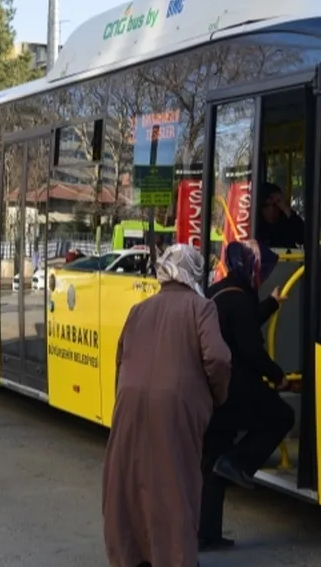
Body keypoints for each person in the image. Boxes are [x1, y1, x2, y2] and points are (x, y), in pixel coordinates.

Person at [101, 244, 232, 567]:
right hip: (177, 405)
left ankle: (133, 555)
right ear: (193, 272)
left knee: (131, 478)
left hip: (130, 402)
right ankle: (174, 558)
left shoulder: (139, 309)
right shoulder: (202, 308)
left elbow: (121, 356)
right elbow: (217, 358)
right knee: (175, 482)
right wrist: (216, 396)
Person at [199, 240, 296, 551]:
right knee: (282, 416)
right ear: (249, 268)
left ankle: (206, 534)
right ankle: (239, 463)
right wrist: (279, 376)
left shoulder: (217, 293)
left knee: (211, 462)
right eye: (261, 270)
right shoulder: (239, 302)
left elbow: (243, 323)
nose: (263, 276)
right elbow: (252, 351)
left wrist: (271, 304)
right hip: (236, 390)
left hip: (210, 392)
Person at [256, 182, 306, 248]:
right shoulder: (255, 225)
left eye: (275, 205)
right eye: (266, 206)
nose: (272, 211)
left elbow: (304, 238)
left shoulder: (286, 222)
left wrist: (286, 209)